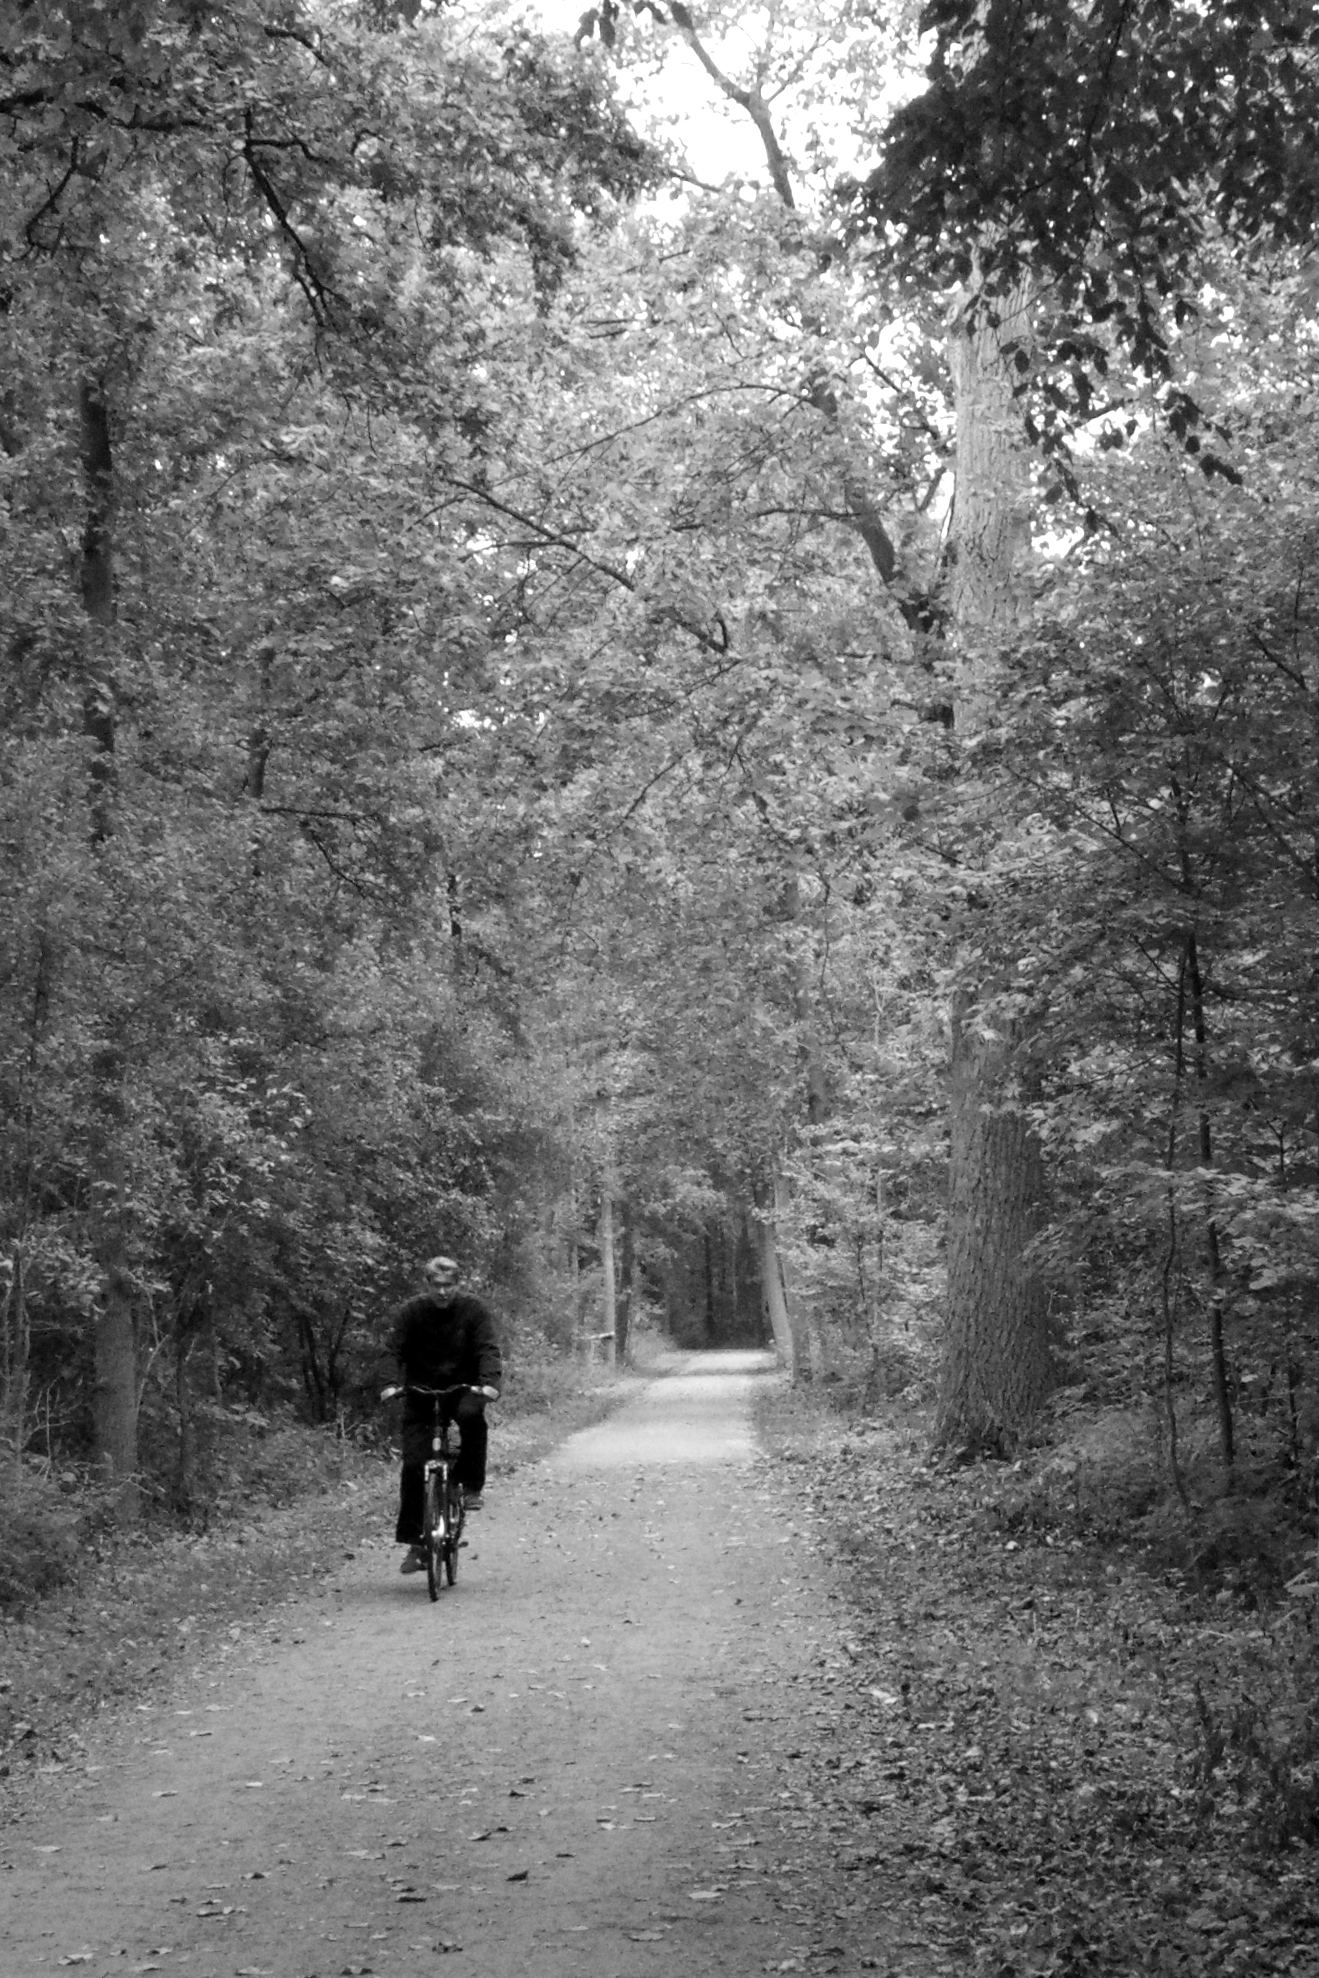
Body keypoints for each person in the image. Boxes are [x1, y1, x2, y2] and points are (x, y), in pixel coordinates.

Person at [386, 1255, 502, 1574]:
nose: (442, 1292)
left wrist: (489, 1383)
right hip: (421, 1392)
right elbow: (392, 1350)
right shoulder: (411, 1312)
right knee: (413, 1464)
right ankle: (416, 1544)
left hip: (462, 1388)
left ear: (458, 1285)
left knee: (472, 1418)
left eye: (448, 1286)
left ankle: (468, 1486)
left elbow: (487, 1349)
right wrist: (389, 1383)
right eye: (436, 1285)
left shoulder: (473, 1310)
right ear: (427, 1285)